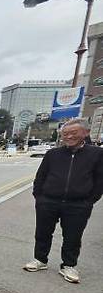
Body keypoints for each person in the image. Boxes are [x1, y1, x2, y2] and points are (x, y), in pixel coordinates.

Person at [23, 119, 103, 283]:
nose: (69, 136)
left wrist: (89, 201)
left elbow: (99, 180)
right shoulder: (53, 154)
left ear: (85, 133)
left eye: (74, 133)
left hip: (78, 204)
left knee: (73, 236)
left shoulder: (96, 154)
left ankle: (69, 265)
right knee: (43, 232)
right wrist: (40, 197)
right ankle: (40, 259)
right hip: (49, 201)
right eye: (66, 134)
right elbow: (41, 176)